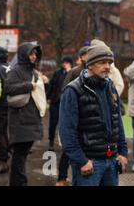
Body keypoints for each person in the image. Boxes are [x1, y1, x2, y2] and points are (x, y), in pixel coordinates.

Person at [59, 43, 128, 186]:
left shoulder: (110, 86)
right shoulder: (73, 90)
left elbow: (117, 122)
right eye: (102, 62)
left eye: (110, 62)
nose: (108, 66)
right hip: (89, 163)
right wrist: (82, 161)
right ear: (90, 64)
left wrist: (122, 152)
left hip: (112, 161)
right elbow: (67, 132)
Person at [4, 42, 44, 186]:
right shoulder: (16, 70)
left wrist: (42, 82)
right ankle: (19, 182)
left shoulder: (34, 72)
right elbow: (7, 88)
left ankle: (18, 182)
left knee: (21, 155)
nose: (34, 57)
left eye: (35, 54)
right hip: (20, 120)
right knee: (19, 156)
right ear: (24, 55)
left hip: (31, 119)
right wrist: (29, 85)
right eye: (31, 54)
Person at [55, 47, 89, 186]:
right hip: (74, 116)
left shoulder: (93, 71)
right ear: (81, 57)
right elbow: (65, 91)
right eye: (87, 55)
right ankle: (62, 178)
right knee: (68, 148)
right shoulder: (74, 72)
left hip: (86, 117)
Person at [46, 55, 73, 152]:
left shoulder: (72, 73)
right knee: (52, 123)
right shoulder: (58, 73)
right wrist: (48, 97)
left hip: (66, 104)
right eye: (64, 62)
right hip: (55, 102)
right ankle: (51, 141)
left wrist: (69, 72)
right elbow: (52, 85)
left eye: (67, 62)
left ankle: (63, 142)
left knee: (64, 125)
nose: (64, 64)